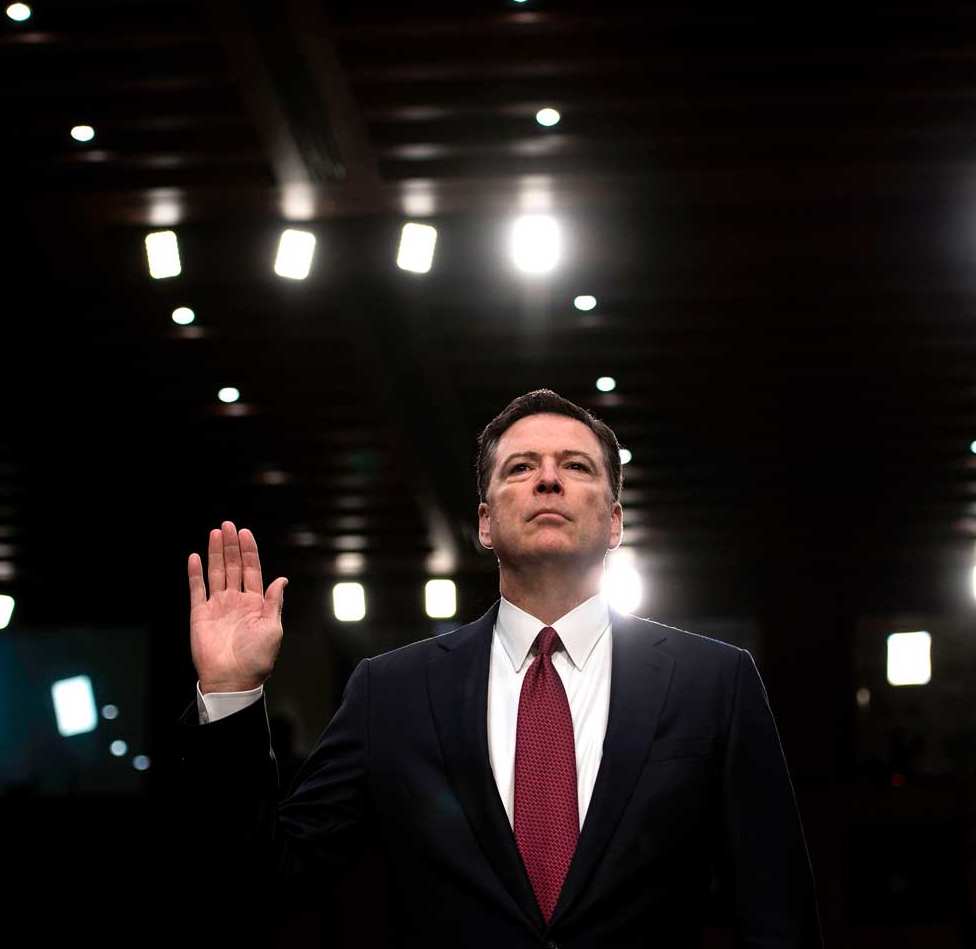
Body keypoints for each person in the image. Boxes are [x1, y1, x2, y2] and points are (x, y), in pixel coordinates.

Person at [173, 389, 822, 947]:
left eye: (575, 466)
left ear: (616, 522)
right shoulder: (390, 692)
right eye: (520, 467)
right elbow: (265, 877)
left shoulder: (715, 682)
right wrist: (231, 693)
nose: (548, 479)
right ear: (484, 523)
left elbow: (777, 919)